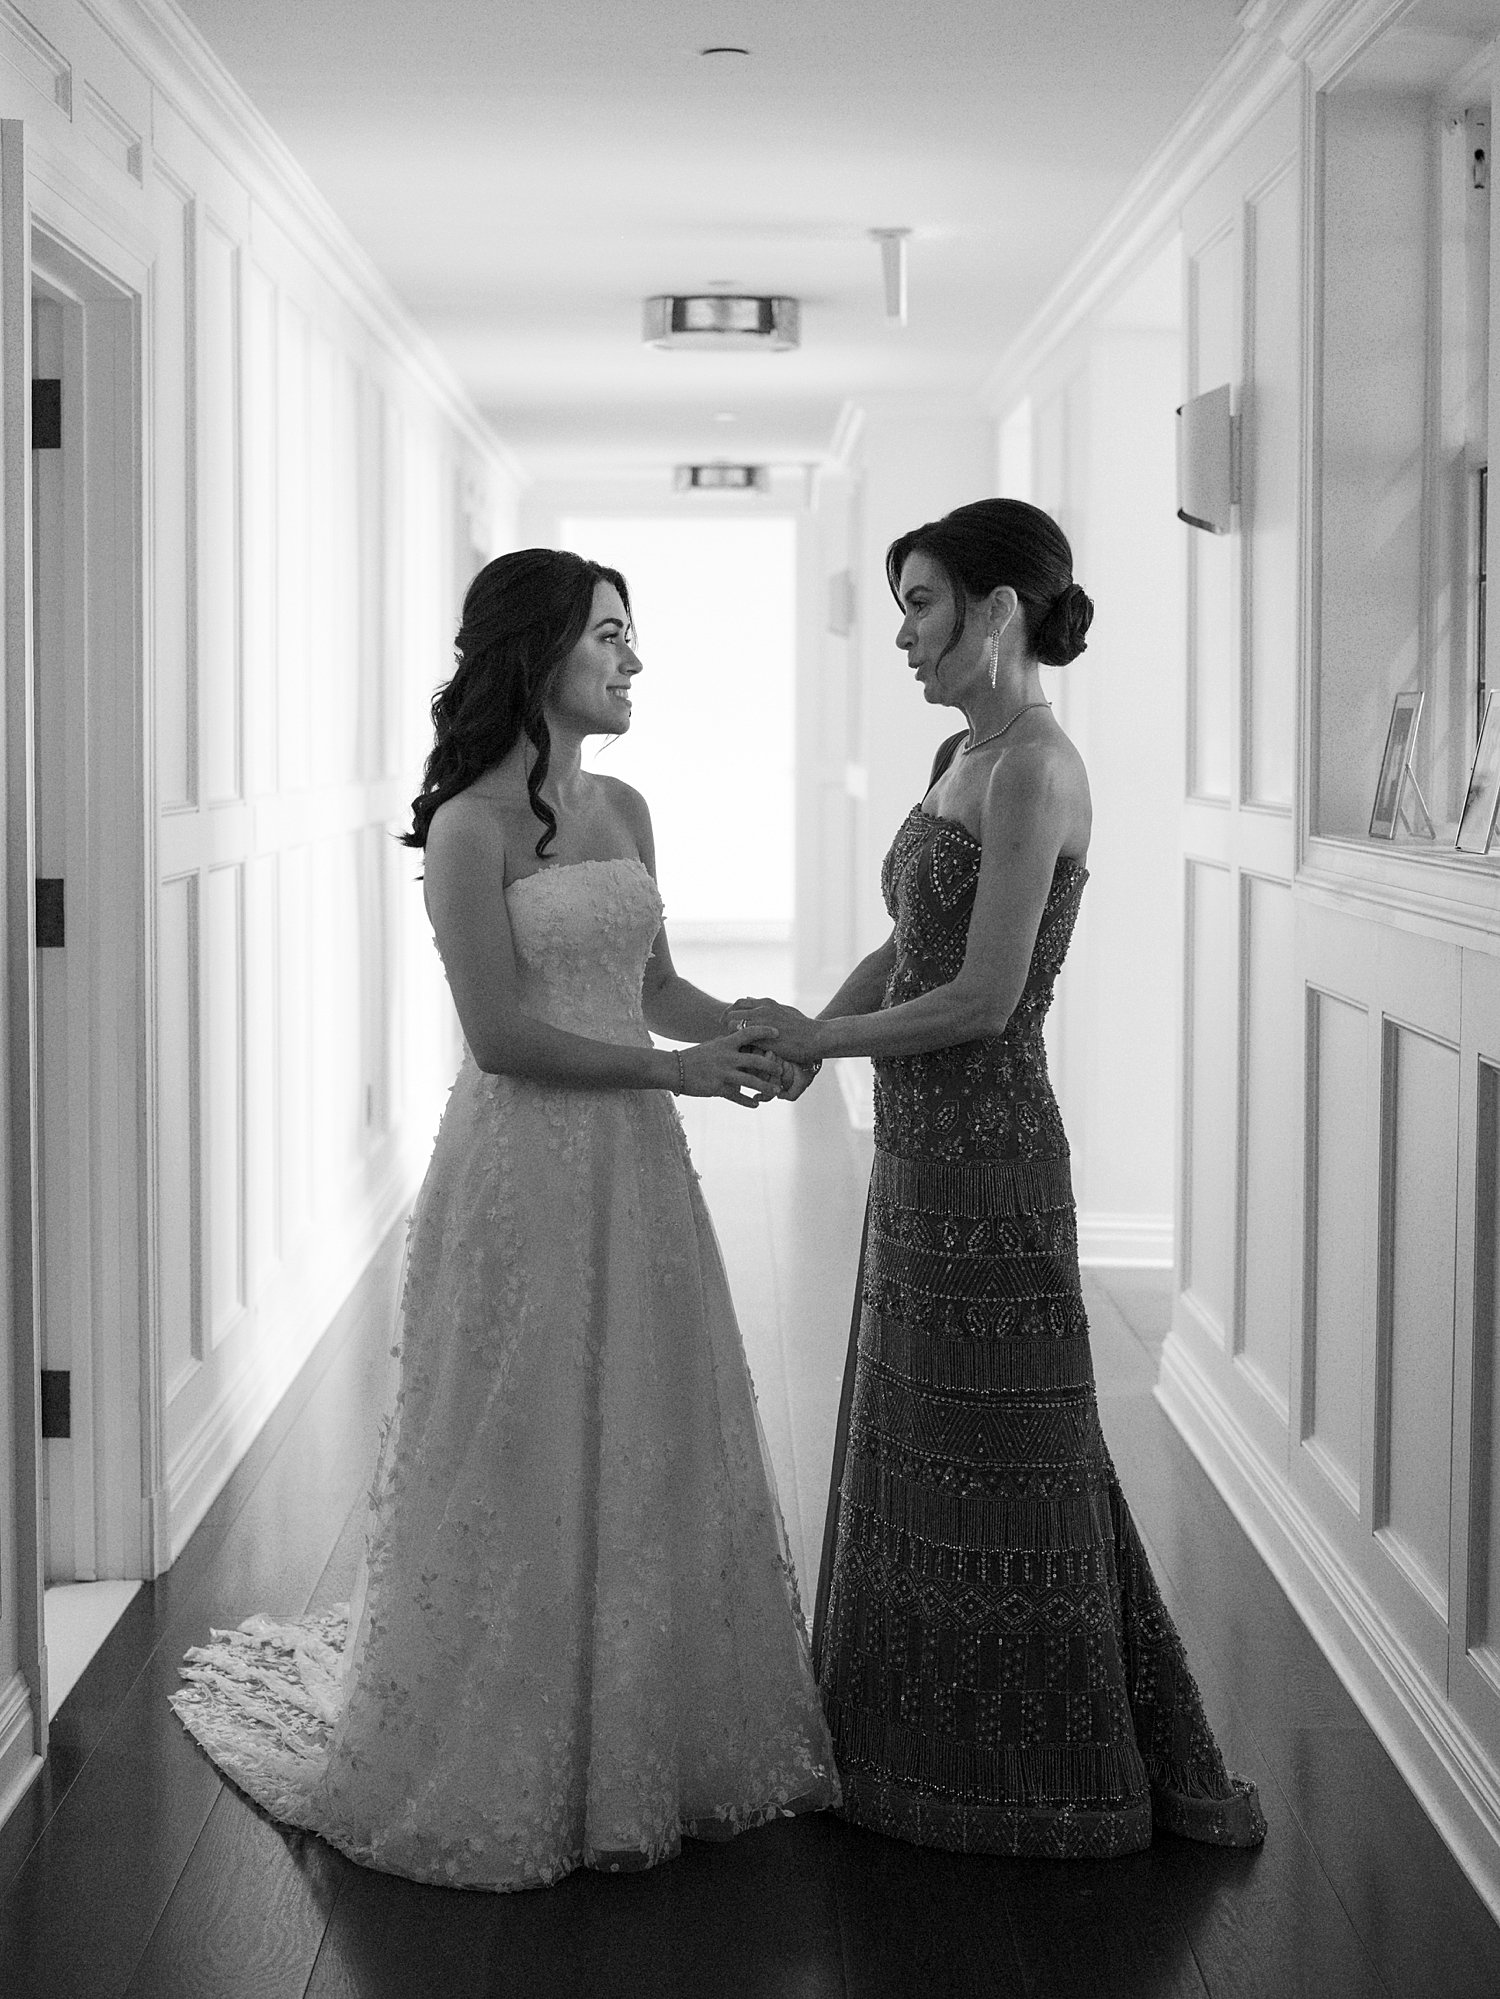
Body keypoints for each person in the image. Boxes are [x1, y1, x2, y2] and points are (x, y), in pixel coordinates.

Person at [171, 547, 838, 1890]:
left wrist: (767, 1028)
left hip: (635, 1170)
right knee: (525, 1439)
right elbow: (501, 1034)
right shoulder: (470, 829)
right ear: (537, 654)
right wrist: (675, 1068)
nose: (634, 659)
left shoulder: (631, 807)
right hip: (523, 1170)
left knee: (645, 1425)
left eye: (635, 636)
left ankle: (643, 1730)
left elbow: (654, 985)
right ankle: (515, 1733)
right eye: (610, 636)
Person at [734, 498, 1265, 1858]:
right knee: (926, 1439)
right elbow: (911, 943)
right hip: (918, 1148)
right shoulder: (959, 749)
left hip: (993, 1151)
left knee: (1015, 1456)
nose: (905, 634)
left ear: (999, 609)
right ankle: (904, 1747)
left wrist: (830, 1041)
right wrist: (806, 1032)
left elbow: (980, 997)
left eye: (922, 603)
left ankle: (1038, 1780)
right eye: (905, 603)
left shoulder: (1038, 767)